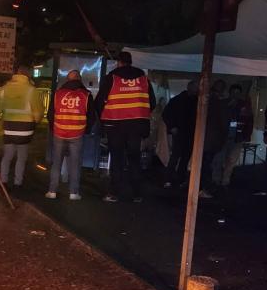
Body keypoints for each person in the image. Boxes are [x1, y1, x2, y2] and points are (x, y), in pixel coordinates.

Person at [95, 51, 156, 202]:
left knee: (117, 159)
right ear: (130, 62)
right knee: (134, 158)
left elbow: (99, 101)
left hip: (115, 125)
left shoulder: (112, 78)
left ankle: (114, 192)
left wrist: (103, 119)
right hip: (137, 126)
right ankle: (137, 194)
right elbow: (152, 103)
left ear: (119, 62)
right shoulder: (143, 79)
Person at [45, 70, 95, 200]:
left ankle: (52, 191)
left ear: (68, 80)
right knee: (75, 164)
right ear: (79, 79)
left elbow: (50, 114)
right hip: (77, 134)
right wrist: (87, 130)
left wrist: (53, 129)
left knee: (56, 163)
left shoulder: (58, 94)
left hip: (59, 133)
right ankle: (73, 193)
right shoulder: (87, 95)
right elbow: (91, 117)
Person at [0, 66, 44, 189]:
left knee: (7, 155)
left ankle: (3, 181)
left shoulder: (4, 88)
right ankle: (18, 182)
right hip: (25, 128)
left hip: (8, 126)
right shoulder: (31, 90)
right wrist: (36, 121)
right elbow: (38, 111)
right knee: (21, 157)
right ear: (28, 75)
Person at [215, 84, 254, 187]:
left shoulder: (244, 105)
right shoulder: (223, 103)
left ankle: (225, 180)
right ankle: (216, 180)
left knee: (231, 160)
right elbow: (217, 118)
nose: (235, 95)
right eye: (233, 92)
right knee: (219, 160)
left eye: (238, 93)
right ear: (230, 92)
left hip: (237, 138)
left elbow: (249, 121)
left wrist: (247, 136)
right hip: (222, 138)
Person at [162, 80, 198, 188]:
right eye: (196, 88)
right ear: (189, 87)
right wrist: (172, 127)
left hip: (191, 132)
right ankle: (169, 179)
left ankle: (179, 179)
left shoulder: (196, 101)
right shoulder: (177, 100)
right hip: (180, 131)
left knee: (185, 157)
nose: (197, 90)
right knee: (176, 156)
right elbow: (166, 114)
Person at [198, 79, 230, 199]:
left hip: (204, 137)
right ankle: (204, 188)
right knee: (207, 165)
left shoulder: (206, 101)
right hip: (211, 139)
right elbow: (223, 123)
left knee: (204, 164)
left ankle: (201, 187)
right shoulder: (218, 103)